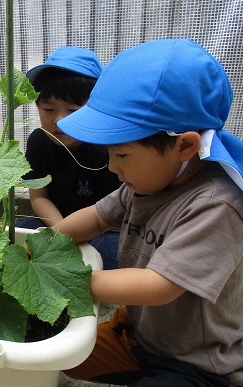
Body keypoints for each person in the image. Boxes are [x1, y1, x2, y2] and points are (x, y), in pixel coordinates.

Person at [53, 39, 242, 386]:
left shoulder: (218, 205)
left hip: (196, 363)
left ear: (184, 145)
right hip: (139, 335)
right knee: (58, 354)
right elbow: (96, 216)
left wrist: (62, 279)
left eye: (121, 155)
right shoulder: (144, 182)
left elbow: (159, 286)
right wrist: (46, 244)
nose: (112, 166)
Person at [17, 46, 121, 269]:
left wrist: (70, 237)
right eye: (48, 109)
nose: (59, 120)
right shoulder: (38, 141)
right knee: (15, 239)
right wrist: (63, 235)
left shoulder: (108, 147)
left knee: (110, 257)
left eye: (72, 110)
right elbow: (39, 198)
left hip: (103, 230)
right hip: (55, 221)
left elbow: (116, 213)